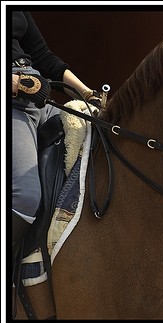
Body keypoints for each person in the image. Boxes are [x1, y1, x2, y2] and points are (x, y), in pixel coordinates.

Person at [11, 11, 100, 268]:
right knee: (26, 197)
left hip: (38, 99)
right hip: (13, 106)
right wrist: (15, 82)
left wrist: (87, 93)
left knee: (94, 139)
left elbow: (42, 55)